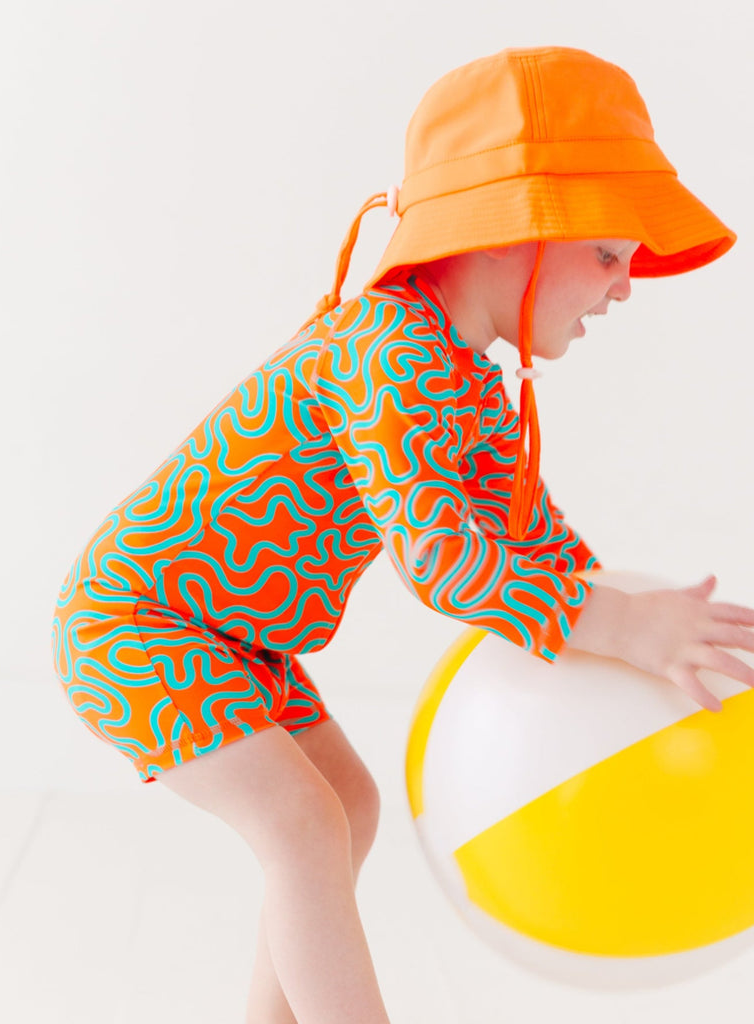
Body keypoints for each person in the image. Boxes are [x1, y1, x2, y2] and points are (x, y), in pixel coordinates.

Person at [51, 46, 754, 1023]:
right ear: (512, 233)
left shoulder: (469, 378)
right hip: (142, 621)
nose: (624, 287)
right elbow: (443, 559)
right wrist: (617, 626)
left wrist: (636, 626)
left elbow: (526, 530)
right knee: (301, 824)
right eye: (605, 254)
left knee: (345, 808)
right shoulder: (396, 351)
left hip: (234, 640)